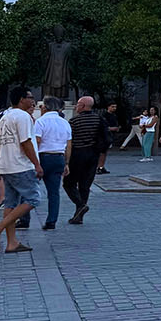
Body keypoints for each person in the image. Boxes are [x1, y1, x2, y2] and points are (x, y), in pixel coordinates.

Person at [0, 87, 42, 254]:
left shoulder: (5, 117)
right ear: (21, 99)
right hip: (20, 165)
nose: (33, 101)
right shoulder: (23, 116)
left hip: (6, 165)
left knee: (11, 203)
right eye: (30, 97)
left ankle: (12, 242)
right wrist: (37, 164)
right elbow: (26, 142)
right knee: (33, 198)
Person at [65, 95, 108, 225]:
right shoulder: (99, 120)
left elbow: (68, 141)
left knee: (68, 183)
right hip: (92, 155)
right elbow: (106, 138)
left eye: (77, 104)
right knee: (85, 185)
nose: (76, 107)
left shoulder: (73, 122)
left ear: (83, 106)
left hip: (77, 155)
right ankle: (79, 214)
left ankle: (80, 205)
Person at [34, 96, 72, 230]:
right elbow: (68, 144)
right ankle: (51, 220)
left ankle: (24, 218)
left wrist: (34, 161)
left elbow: (37, 141)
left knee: (30, 188)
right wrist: (66, 162)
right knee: (54, 192)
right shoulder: (65, 123)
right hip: (59, 157)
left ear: (45, 107)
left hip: (43, 157)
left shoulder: (40, 121)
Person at [98, 103, 119, 174]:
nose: (114, 108)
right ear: (108, 107)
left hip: (110, 136)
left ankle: (101, 167)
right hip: (104, 136)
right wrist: (111, 128)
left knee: (104, 152)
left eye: (115, 107)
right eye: (112, 107)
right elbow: (102, 126)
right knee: (101, 152)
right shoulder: (104, 116)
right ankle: (99, 167)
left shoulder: (114, 116)